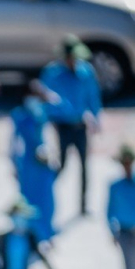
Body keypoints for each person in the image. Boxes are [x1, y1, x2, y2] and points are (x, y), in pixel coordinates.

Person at [39, 37, 103, 215]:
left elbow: (93, 96)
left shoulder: (86, 72)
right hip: (63, 125)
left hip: (80, 124)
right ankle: (43, 194)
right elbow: (45, 100)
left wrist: (96, 118)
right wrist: (49, 119)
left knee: (84, 165)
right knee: (63, 164)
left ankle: (83, 204)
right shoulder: (52, 73)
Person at [11, 82, 61, 243]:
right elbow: (14, 143)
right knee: (28, 198)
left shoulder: (43, 112)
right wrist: (13, 164)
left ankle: (46, 232)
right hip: (27, 163)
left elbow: (60, 105)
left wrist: (46, 94)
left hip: (43, 163)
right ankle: (31, 233)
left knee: (46, 198)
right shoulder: (19, 115)